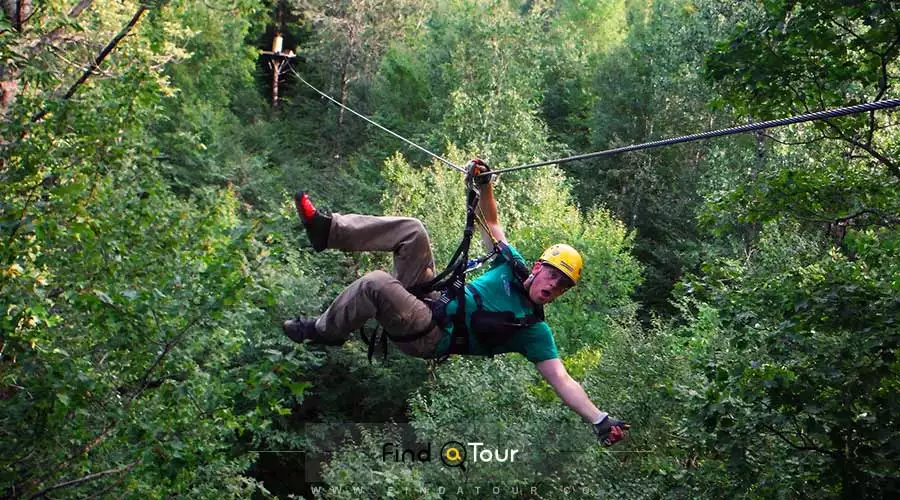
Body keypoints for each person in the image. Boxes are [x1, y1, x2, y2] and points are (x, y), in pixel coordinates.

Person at [283, 159, 629, 446]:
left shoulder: (532, 330)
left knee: (375, 283)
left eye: (563, 285)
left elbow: (563, 380)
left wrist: (599, 420)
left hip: (430, 333)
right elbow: (491, 222)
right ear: (538, 267)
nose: (555, 286)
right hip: (431, 299)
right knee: (412, 231)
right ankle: (327, 231)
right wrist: (485, 183)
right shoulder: (510, 265)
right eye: (553, 275)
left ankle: (325, 330)